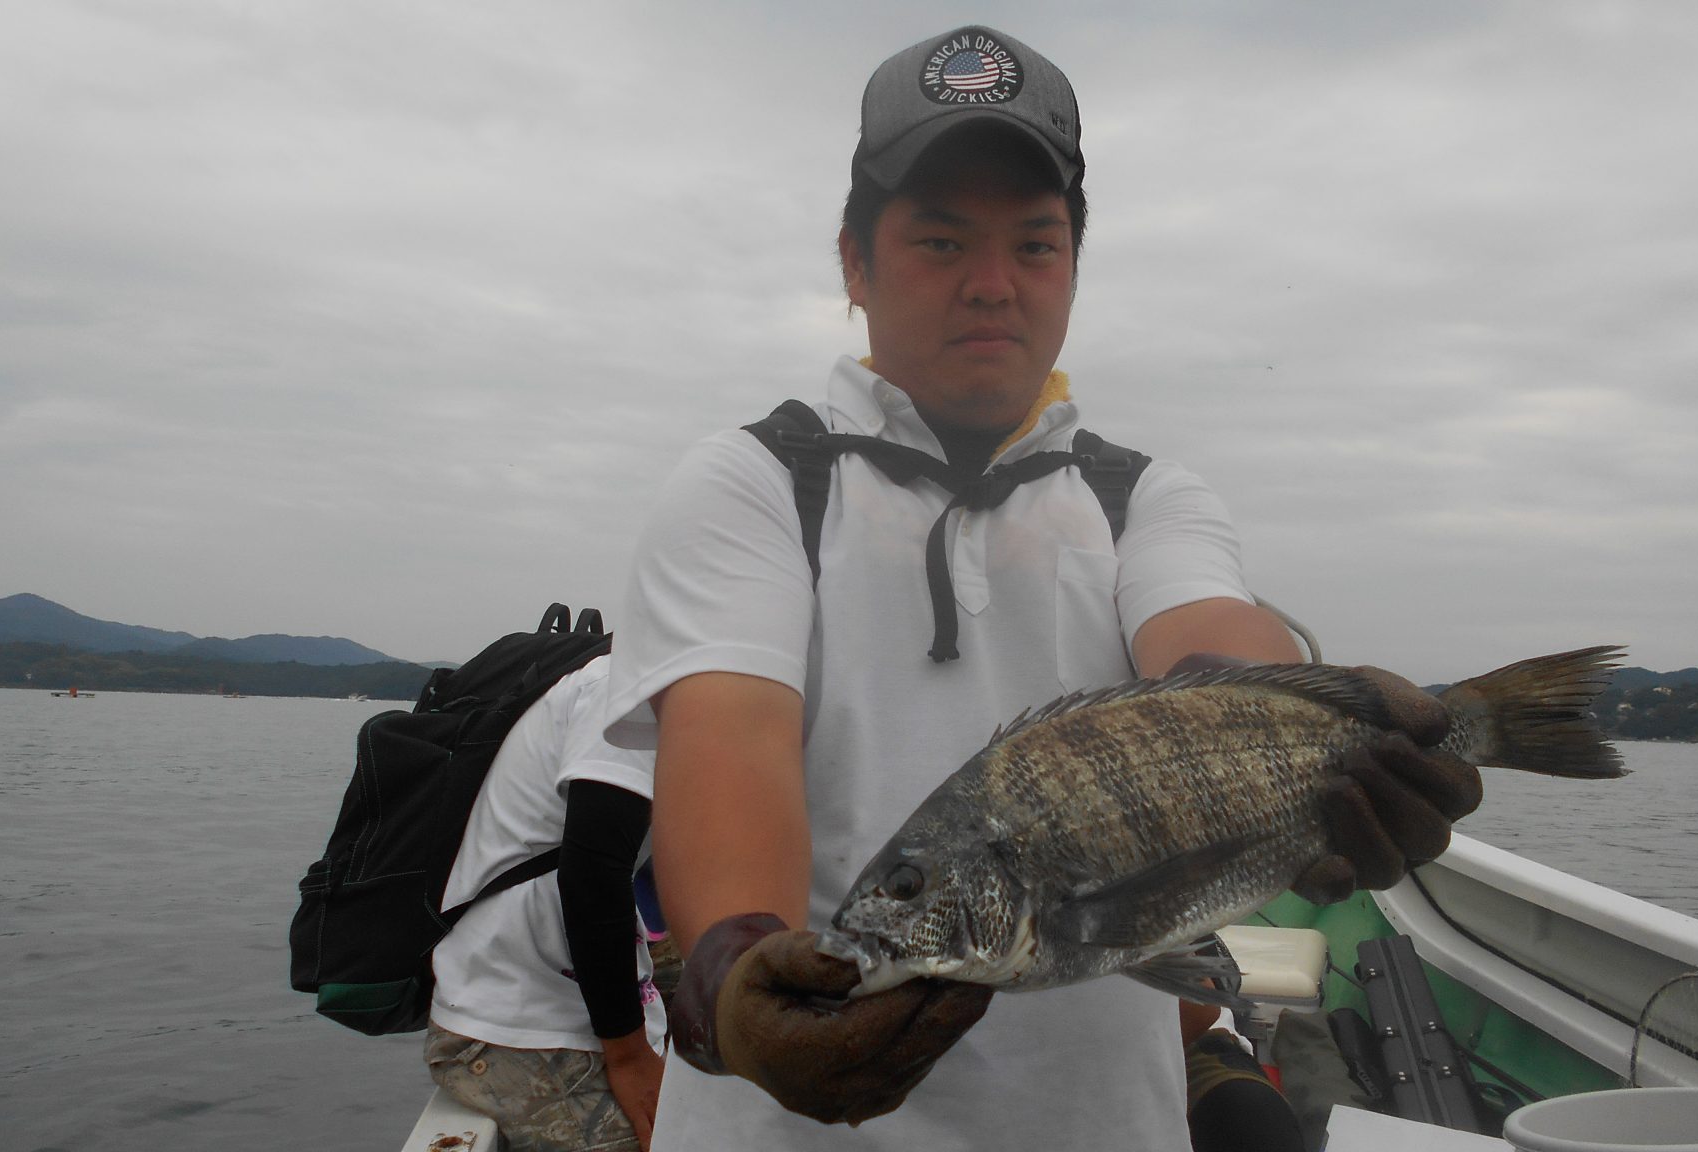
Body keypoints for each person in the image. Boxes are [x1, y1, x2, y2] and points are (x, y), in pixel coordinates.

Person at [603, 25, 1480, 1149]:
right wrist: (737, 971)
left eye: (1035, 245)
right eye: (940, 241)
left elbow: (1207, 637)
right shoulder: (755, 484)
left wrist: (1327, 734)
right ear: (854, 264)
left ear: (1072, 267)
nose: (991, 286)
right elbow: (728, 745)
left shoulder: (1143, 498)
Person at [426, 654, 666, 1151]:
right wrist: (629, 1058)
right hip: (522, 1027)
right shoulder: (632, 688)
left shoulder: (673, 693)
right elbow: (593, 877)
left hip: (558, 1004)